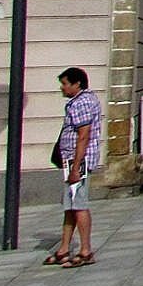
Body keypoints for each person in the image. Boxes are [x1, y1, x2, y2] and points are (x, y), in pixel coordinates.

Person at [47, 66, 103, 268]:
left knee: (79, 205)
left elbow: (83, 135)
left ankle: (86, 250)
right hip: (71, 159)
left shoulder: (82, 103)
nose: (62, 88)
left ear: (77, 83)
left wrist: (75, 167)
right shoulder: (81, 101)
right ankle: (63, 249)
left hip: (78, 161)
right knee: (69, 206)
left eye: (65, 84)